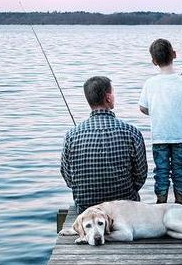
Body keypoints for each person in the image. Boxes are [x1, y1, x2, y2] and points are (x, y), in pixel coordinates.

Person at [61, 76, 148, 214]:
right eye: (112, 93)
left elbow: (69, 179)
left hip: (87, 210)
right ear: (108, 98)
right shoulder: (131, 132)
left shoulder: (71, 135)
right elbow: (141, 175)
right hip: (125, 209)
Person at [139, 39, 182, 205]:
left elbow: (143, 108)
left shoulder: (149, 83)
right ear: (174, 55)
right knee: (179, 172)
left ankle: (161, 205)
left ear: (154, 61)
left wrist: (154, 110)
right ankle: (180, 204)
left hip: (159, 137)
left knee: (161, 172)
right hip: (180, 137)